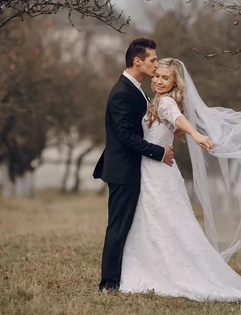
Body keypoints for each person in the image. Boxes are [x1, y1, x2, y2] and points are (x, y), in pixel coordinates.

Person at [119, 58, 241, 309]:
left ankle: (162, 271)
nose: (159, 81)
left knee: (164, 220)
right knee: (159, 220)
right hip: (155, 169)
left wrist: (195, 133)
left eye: (165, 77)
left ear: (175, 82)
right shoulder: (155, 101)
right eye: (157, 76)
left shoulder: (167, 102)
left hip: (158, 172)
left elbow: (178, 118)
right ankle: (153, 265)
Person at [93, 38, 175, 292]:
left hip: (132, 169)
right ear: (137, 61)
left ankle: (124, 277)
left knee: (127, 225)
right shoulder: (121, 92)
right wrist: (159, 152)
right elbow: (125, 137)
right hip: (123, 170)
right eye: (152, 60)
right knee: (118, 226)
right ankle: (109, 283)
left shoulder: (136, 89)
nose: (155, 64)